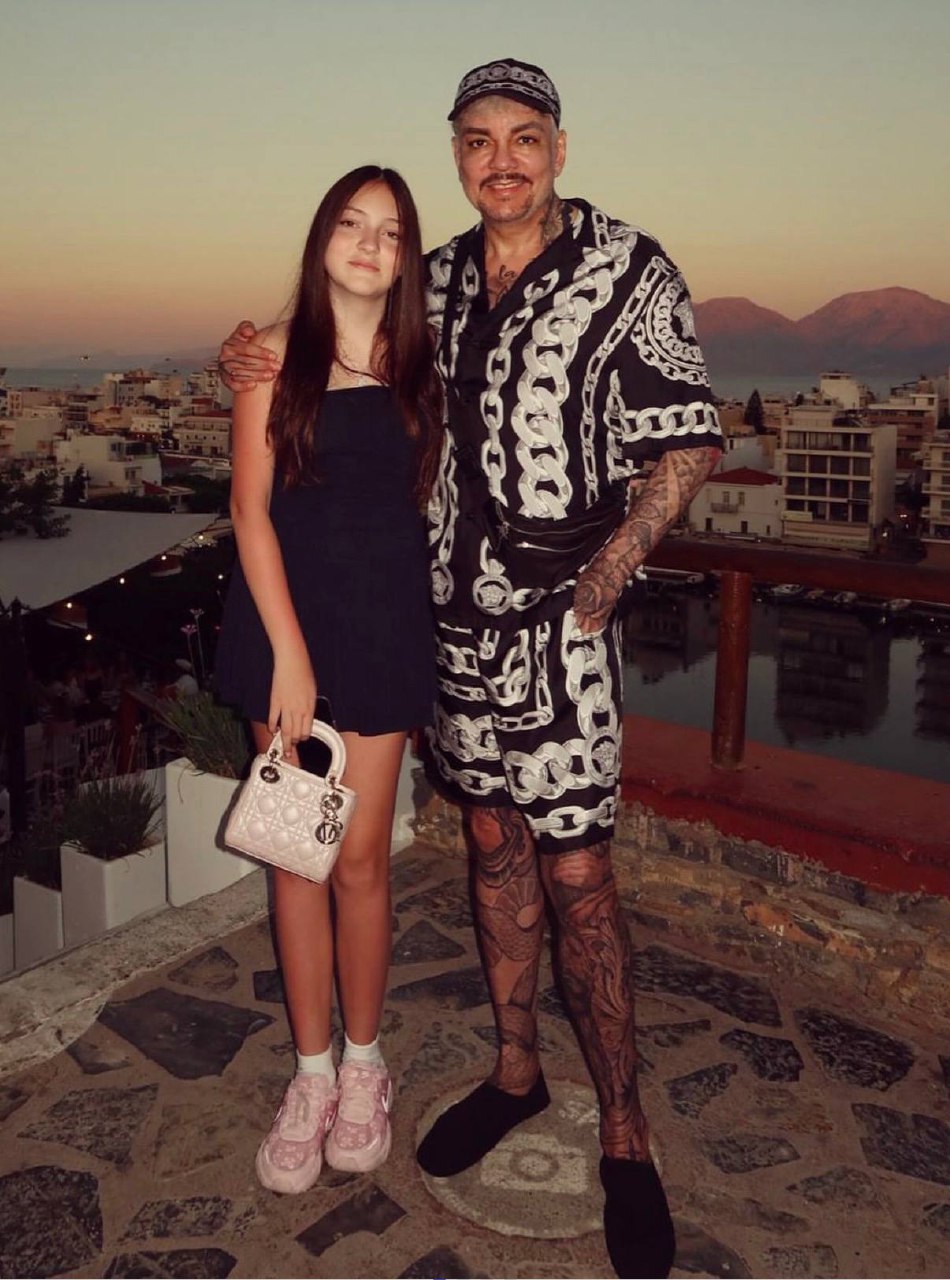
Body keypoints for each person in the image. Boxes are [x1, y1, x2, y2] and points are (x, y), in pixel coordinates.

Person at [219, 61, 722, 1279]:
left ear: (558, 147)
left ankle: (624, 1133)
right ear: (456, 154)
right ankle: (512, 1069)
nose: (502, 159)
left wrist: (601, 587)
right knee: (491, 846)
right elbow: (325, 358)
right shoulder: (432, 283)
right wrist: (247, 350)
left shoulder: (628, 267)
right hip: (443, 626)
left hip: (560, 629)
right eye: (478, 139)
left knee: (578, 872)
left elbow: (685, 444)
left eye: (524, 136)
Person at [214, 164, 442, 1195]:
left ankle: (363, 1065)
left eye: (389, 232)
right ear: (321, 239)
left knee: (359, 864)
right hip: (287, 634)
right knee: (295, 860)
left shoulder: (422, 361)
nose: (368, 243)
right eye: (352, 223)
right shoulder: (269, 358)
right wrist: (290, 656)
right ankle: (309, 1076)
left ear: (405, 258)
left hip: (385, 630)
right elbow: (250, 512)